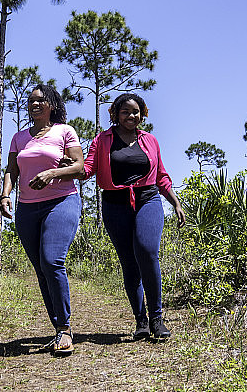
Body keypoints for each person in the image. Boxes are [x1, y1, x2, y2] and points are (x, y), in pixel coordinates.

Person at [78, 93, 185, 340]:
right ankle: (141, 321)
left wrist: (176, 204)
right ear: (115, 114)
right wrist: (65, 166)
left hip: (147, 199)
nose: (131, 116)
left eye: (135, 111)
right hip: (115, 203)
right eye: (125, 112)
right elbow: (87, 169)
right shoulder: (102, 140)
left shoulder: (150, 140)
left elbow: (161, 177)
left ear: (142, 114)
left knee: (147, 251)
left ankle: (157, 319)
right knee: (128, 261)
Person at [0, 84, 84, 356]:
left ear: (51, 104)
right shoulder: (19, 137)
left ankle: (65, 329)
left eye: (40, 100)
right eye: (31, 101)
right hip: (27, 208)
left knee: (52, 260)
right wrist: (5, 195)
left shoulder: (64, 131)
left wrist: (51, 174)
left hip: (62, 201)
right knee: (41, 269)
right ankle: (59, 327)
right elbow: (12, 170)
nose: (34, 104)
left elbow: (79, 167)